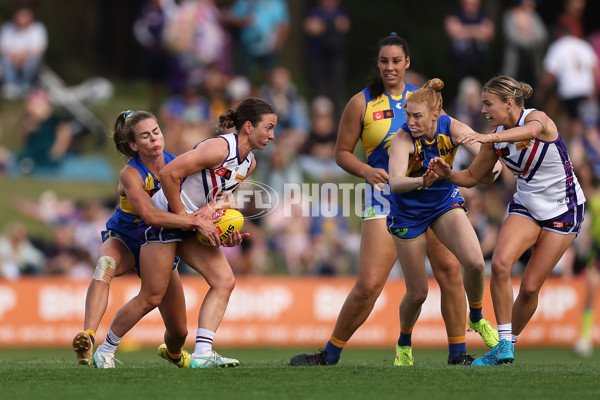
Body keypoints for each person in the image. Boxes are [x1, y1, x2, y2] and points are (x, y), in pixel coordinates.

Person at [290, 34, 498, 368]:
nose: (390, 67)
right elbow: (341, 153)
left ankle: (458, 354)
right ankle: (329, 354)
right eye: (384, 61)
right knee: (369, 284)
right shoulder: (362, 102)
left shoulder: (422, 99)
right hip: (386, 196)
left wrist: (487, 163)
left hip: (432, 196)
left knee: (449, 271)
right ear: (379, 63)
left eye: (396, 61)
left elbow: (451, 133)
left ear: (407, 63)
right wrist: (365, 170)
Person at [92, 98, 277, 368]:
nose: (272, 135)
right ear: (248, 126)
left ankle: (202, 353)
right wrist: (185, 219)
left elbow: (224, 199)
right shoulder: (220, 147)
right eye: (269, 127)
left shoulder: (249, 164)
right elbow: (168, 174)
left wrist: (228, 230)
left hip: (190, 223)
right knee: (151, 297)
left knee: (224, 280)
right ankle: (105, 350)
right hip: (166, 218)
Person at [429, 75, 586, 366]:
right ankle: (503, 343)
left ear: (509, 103)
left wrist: (488, 137)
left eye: (489, 104)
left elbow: (530, 131)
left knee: (529, 288)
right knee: (500, 265)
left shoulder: (537, 119)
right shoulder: (494, 139)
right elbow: (474, 178)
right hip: (526, 205)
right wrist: (448, 174)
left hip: (564, 209)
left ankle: (508, 343)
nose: (484, 110)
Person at [72, 110, 219, 366]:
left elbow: (202, 202)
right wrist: (195, 221)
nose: (153, 139)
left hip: (161, 245)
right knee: (104, 266)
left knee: (179, 331)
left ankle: (174, 353)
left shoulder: (179, 163)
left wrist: (220, 224)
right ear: (133, 145)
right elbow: (150, 215)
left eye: (156, 132)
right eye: (145, 136)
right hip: (126, 240)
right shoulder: (131, 173)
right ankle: (88, 337)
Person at [386, 78, 500, 365]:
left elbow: (488, 158)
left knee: (475, 262)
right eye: (407, 115)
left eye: (417, 116)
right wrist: (422, 180)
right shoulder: (403, 138)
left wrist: (491, 170)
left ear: (436, 116)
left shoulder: (453, 127)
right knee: (417, 293)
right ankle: (404, 342)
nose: (409, 121)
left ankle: (475, 317)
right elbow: (395, 182)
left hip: (443, 204)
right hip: (407, 214)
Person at [0, 5, 47, 99]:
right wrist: (16, 58)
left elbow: (40, 50)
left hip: (29, 59)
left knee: (33, 61)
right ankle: (11, 87)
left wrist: (21, 58)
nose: (22, 19)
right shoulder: (7, 28)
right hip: (11, 59)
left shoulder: (38, 28)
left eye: (24, 16)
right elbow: (3, 48)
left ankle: (25, 87)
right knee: (4, 60)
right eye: (20, 16)